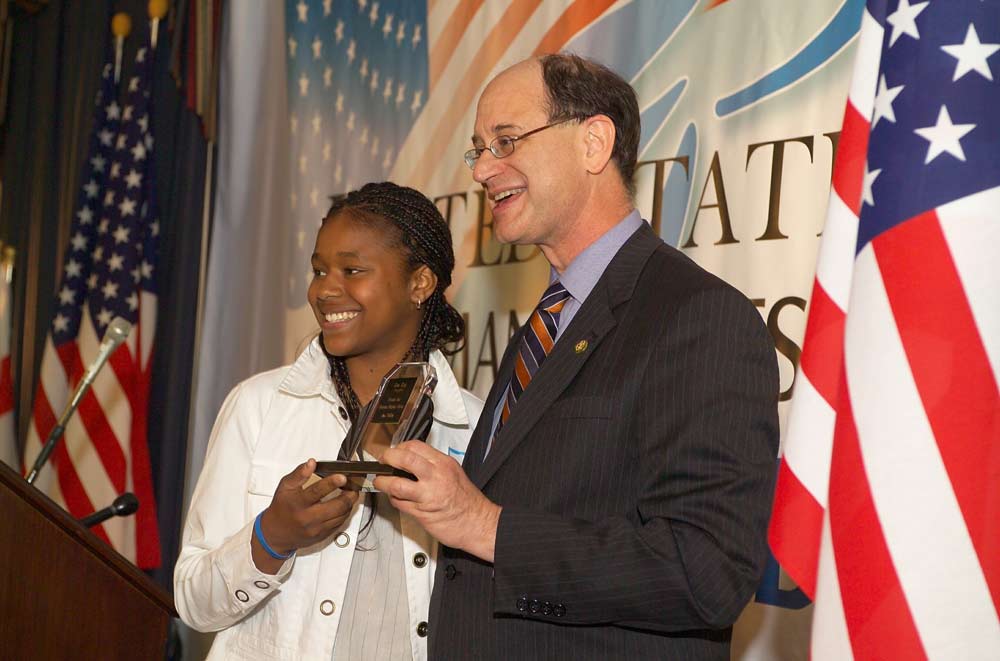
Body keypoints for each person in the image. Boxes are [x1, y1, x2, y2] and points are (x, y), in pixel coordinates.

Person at [374, 54, 779, 658]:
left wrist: (486, 527)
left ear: (594, 143)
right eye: (478, 150)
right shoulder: (548, 323)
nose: (482, 169)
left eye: (505, 141)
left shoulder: (698, 316)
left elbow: (706, 572)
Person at [174, 182, 484, 660]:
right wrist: (271, 538)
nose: (324, 290)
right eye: (319, 270)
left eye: (352, 270)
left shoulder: (475, 426)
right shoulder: (258, 406)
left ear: (420, 283)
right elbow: (193, 603)